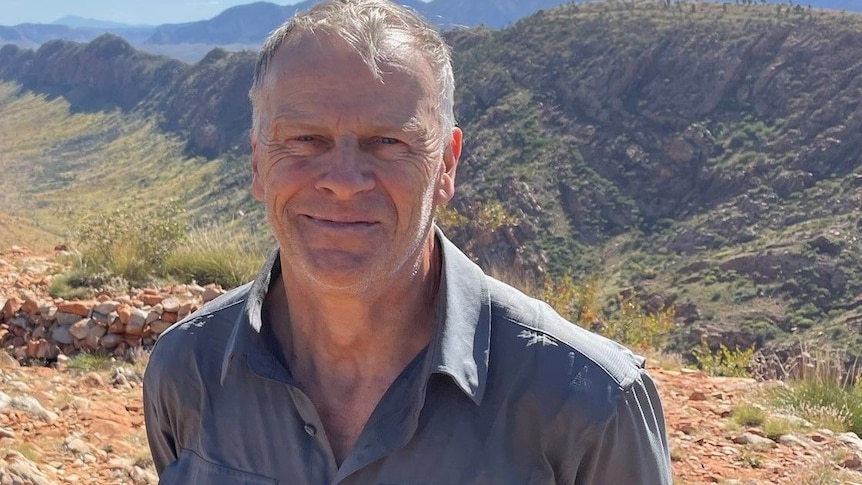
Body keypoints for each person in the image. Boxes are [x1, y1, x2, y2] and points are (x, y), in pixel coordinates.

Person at [142, 0, 672, 483]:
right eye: (305, 139)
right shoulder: (189, 370)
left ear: (446, 164)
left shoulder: (590, 404)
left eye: (389, 142)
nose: (344, 180)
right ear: (258, 162)